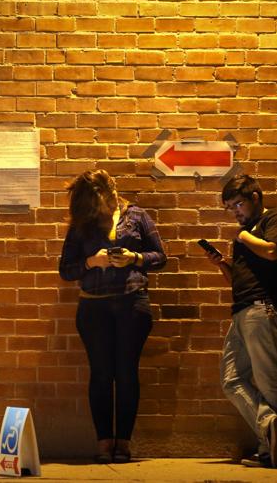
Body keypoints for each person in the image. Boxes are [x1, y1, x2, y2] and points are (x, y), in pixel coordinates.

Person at [58, 169, 166, 464]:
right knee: (102, 374)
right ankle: (104, 442)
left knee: (127, 372)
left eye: (105, 200)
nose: (102, 207)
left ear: (112, 191)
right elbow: (65, 269)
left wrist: (135, 258)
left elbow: (161, 257)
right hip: (93, 307)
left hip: (132, 303)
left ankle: (124, 443)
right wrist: (91, 262)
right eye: (96, 204)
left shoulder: (138, 216)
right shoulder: (83, 221)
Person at [205, 175, 277, 468]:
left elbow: (273, 251)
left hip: (264, 307)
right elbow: (238, 281)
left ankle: (270, 451)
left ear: (255, 197)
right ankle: (269, 427)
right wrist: (222, 265)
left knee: (268, 381)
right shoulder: (246, 234)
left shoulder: (275, 219)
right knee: (231, 378)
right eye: (230, 207)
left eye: (238, 204)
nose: (235, 212)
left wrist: (243, 237)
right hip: (242, 310)